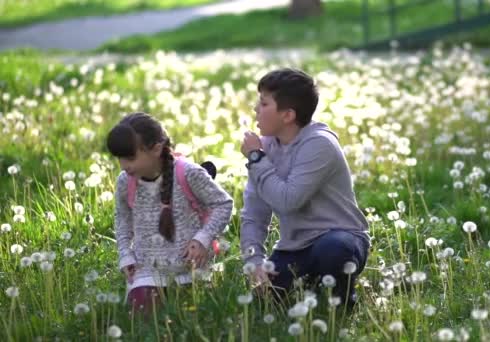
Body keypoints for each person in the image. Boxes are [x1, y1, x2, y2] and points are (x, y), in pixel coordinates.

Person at [239, 68, 370, 307]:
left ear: (287, 115)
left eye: (264, 103)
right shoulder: (265, 147)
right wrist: (255, 261)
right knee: (264, 300)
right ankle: (312, 283)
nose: (256, 110)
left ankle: (342, 301)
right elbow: (254, 214)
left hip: (340, 238)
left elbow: (288, 201)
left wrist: (257, 160)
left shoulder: (319, 144)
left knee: (334, 251)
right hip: (295, 248)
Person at [107, 112, 233, 315]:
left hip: (191, 267)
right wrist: (125, 255)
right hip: (147, 269)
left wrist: (203, 239)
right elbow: (122, 219)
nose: (123, 165)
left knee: (194, 314)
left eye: (130, 157)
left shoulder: (189, 173)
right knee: (142, 315)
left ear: (156, 149)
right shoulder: (125, 181)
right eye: (120, 158)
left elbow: (223, 203)